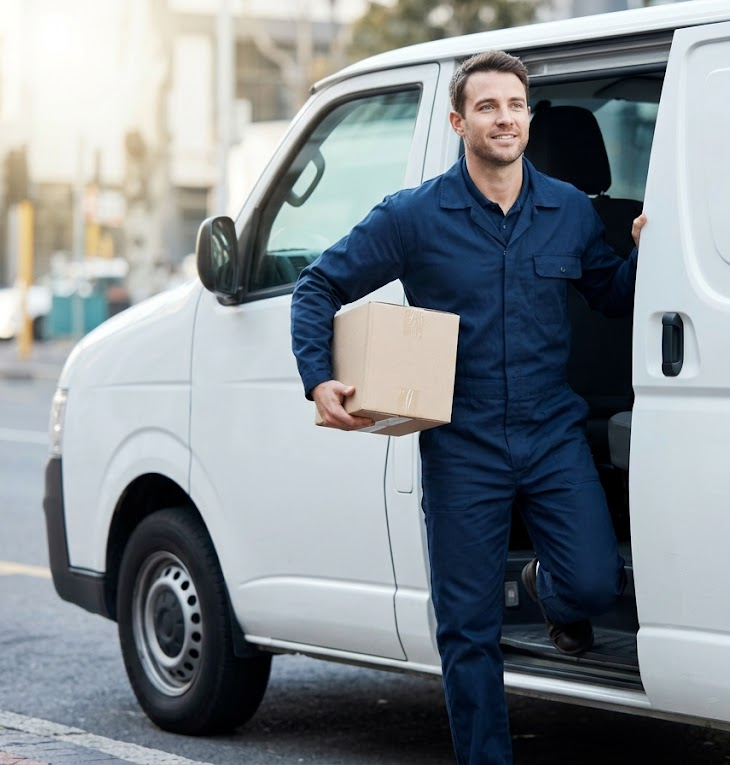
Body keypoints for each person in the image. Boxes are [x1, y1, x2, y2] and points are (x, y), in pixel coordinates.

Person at [291, 50, 646, 765]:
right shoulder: (415, 216)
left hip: (552, 434)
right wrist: (318, 378)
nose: (505, 119)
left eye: (515, 105)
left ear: (528, 117)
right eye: (487, 107)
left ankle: (544, 583)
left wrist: (643, 251)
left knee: (594, 580)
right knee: (468, 628)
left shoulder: (569, 210)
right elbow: (317, 287)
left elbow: (612, 296)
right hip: (463, 444)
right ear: (459, 121)